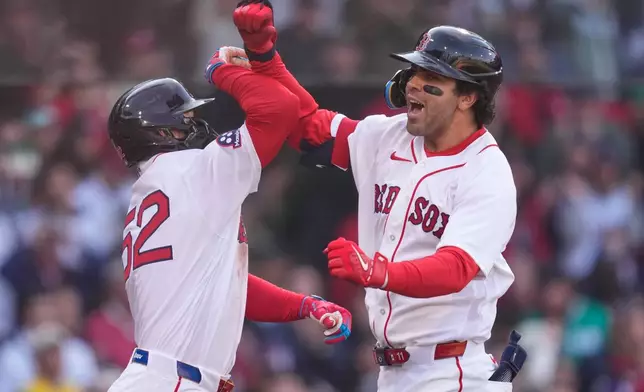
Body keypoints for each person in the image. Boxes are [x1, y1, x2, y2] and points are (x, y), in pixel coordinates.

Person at [230, 1, 524, 391]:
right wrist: (265, 57)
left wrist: (378, 272)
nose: (414, 83)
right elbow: (309, 129)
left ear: (468, 97)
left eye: (431, 75)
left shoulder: (488, 172)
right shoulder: (391, 135)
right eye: (415, 70)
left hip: (450, 370)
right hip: (391, 370)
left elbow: (455, 268)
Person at [106, 47, 352, 392]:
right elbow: (279, 108)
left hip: (163, 377)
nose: (198, 125)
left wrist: (304, 304)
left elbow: (224, 285)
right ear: (161, 132)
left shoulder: (155, 190)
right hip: (175, 380)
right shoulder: (194, 173)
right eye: (186, 120)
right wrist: (223, 71)